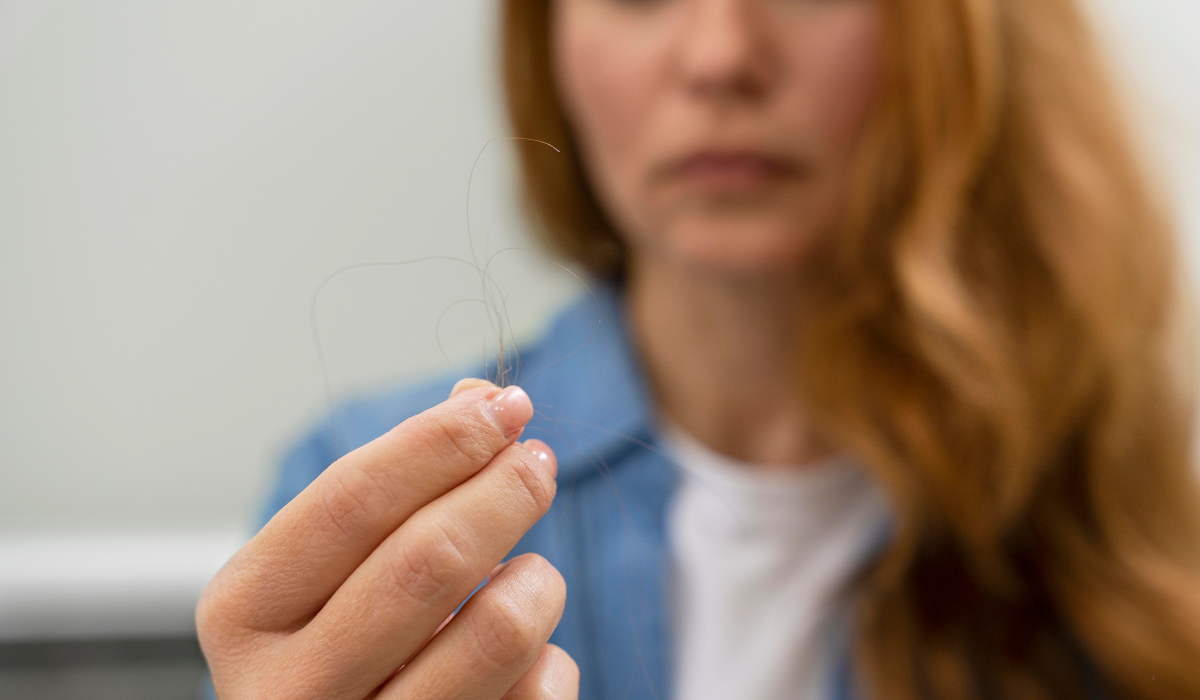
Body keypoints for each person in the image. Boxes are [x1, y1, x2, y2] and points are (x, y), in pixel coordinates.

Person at [196, 0, 1200, 698]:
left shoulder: (1123, 524)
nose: (722, 55)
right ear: (546, 41)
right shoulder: (368, 499)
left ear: (949, 38)